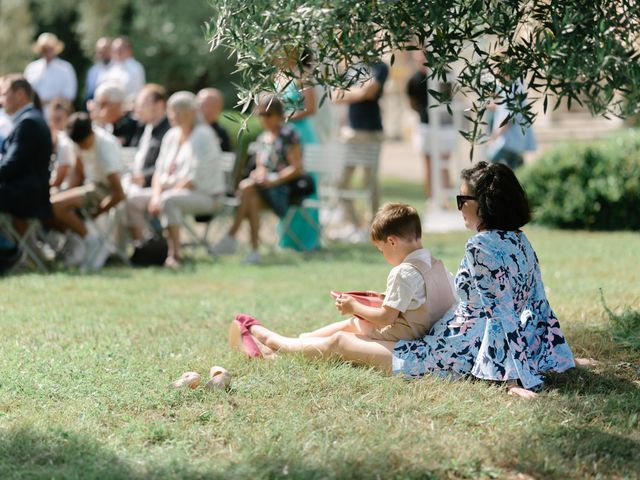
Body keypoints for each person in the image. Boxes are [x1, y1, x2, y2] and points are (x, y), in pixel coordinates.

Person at [228, 162, 576, 399]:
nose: (459, 208)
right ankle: (286, 342)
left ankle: (273, 341)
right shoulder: (519, 240)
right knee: (356, 325)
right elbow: (536, 307)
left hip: (452, 351)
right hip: (455, 338)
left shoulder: (481, 245)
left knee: (342, 343)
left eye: (461, 200)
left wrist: (511, 378)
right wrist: (552, 354)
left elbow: (499, 317)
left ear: (483, 203)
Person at [294, 203, 456, 343]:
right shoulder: (436, 265)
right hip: (434, 330)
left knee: (355, 324)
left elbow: (386, 318)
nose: (383, 254)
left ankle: (304, 340)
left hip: (409, 336)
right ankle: (306, 338)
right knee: (357, 324)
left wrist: (354, 306)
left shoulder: (403, 272)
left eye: (381, 249)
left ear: (392, 241)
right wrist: (383, 297)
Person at [125, 91, 224, 269]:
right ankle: (143, 250)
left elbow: (193, 179)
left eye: (177, 111)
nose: (172, 115)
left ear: (191, 113)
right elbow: (158, 172)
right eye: (171, 111)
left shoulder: (203, 135)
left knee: (169, 201)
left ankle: (174, 255)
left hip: (206, 196)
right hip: (169, 192)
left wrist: (163, 196)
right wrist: (155, 196)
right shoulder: (171, 136)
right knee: (133, 201)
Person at [212, 95, 305, 264]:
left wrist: (274, 179)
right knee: (251, 197)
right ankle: (253, 251)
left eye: (268, 115)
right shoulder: (263, 138)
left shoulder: (288, 134)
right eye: (260, 115)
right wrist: (259, 175)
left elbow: (297, 168)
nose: (264, 119)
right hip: (263, 190)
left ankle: (232, 236)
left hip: (283, 190)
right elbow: (261, 166)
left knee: (246, 187)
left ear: (279, 115)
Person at [50, 112, 125, 269]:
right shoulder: (79, 142)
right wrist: (66, 194)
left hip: (105, 190)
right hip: (89, 186)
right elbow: (78, 172)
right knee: (48, 205)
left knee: (56, 206)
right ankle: (78, 245)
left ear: (91, 133)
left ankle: (93, 241)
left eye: (82, 143)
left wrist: (96, 213)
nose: (80, 147)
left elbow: (118, 193)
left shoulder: (105, 148)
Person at [332, 60, 389, 235]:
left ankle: (373, 227)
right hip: (350, 133)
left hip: (371, 132)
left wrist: (350, 93)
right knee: (341, 182)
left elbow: (371, 92)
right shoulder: (349, 66)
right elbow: (335, 95)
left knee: (369, 182)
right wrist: (361, 93)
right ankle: (354, 225)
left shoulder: (380, 67)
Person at [276, 49, 321, 252]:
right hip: (284, 136)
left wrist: (283, 118)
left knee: (304, 183)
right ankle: (287, 238)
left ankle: (307, 239)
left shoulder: (304, 76)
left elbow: (310, 108)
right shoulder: (280, 76)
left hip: (302, 135)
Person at [0, 75, 53, 228]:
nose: (1, 100)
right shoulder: (29, 119)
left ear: (20, 94)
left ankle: (7, 247)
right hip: (25, 191)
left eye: (4, 94)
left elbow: (11, 165)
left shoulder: (28, 122)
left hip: (26, 195)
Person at [488, 78, 537, 170]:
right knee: (515, 172)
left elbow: (508, 119)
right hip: (516, 143)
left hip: (508, 143)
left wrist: (494, 137)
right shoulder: (516, 88)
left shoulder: (512, 90)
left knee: (490, 165)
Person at [129, 84, 170, 188]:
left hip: (154, 186)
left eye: (142, 104)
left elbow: (168, 165)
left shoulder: (170, 132)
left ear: (159, 105)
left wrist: (144, 177)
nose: (137, 109)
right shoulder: (145, 127)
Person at [24, 33, 77, 108]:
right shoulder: (31, 68)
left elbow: (70, 94)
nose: (46, 51)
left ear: (54, 49)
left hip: (57, 114)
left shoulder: (66, 68)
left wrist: (48, 102)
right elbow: (26, 92)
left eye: (49, 48)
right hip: (34, 112)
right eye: (44, 48)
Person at [99, 36, 145, 104]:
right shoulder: (111, 68)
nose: (117, 52)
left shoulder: (136, 68)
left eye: (120, 49)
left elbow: (135, 91)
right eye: (115, 50)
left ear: (129, 50)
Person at [47, 97, 74, 189]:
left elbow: (57, 182)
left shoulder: (65, 144)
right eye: (51, 119)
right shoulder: (53, 140)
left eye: (58, 119)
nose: (53, 123)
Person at [196, 88, 231, 152]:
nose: (199, 107)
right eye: (198, 103)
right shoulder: (188, 127)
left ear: (217, 106)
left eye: (204, 104)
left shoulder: (220, 133)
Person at [85, 37, 112, 103]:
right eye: (100, 52)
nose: (103, 54)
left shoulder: (119, 68)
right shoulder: (93, 70)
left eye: (105, 50)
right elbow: (90, 91)